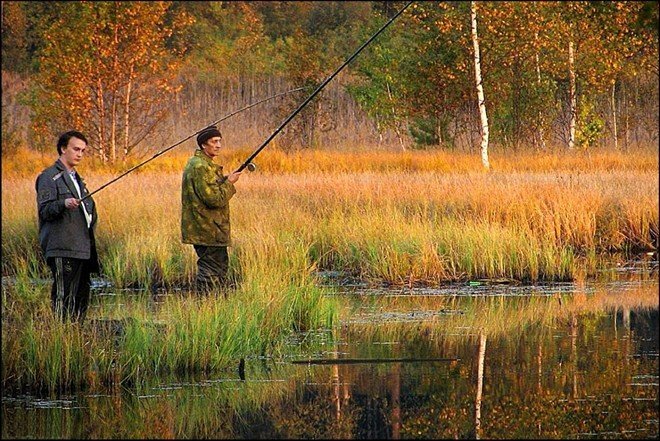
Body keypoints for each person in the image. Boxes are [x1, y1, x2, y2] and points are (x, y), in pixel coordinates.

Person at [36, 130, 99, 322]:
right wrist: (63, 203)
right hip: (62, 247)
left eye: (83, 150)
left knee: (81, 298)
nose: (79, 154)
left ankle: (76, 337)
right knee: (64, 297)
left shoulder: (78, 179)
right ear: (63, 149)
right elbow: (45, 211)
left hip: (82, 248)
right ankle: (60, 337)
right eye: (76, 149)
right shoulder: (49, 177)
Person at [181, 125, 242, 294]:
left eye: (219, 141)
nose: (218, 145)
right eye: (214, 141)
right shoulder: (200, 166)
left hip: (208, 228)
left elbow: (208, 189)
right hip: (207, 229)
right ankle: (205, 307)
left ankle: (214, 307)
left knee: (218, 267)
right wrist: (229, 184)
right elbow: (214, 199)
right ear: (203, 145)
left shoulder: (200, 164)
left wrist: (225, 179)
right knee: (210, 270)